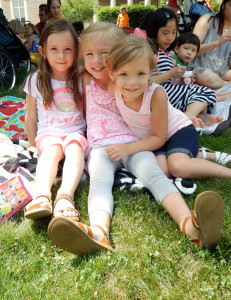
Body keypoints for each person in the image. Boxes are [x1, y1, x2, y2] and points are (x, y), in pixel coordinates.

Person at [48, 22, 224, 256]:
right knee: (99, 182)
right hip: (100, 146)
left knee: (156, 176)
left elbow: (148, 82)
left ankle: (190, 226)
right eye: (89, 54)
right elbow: (57, 76)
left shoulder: (124, 80)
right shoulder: (85, 79)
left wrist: (190, 114)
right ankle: (99, 232)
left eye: (105, 54)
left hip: (132, 142)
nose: (97, 61)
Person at [106, 34, 231, 184]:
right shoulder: (113, 87)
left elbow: (158, 137)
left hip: (178, 131)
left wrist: (128, 149)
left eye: (140, 74)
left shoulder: (155, 94)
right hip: (155, 140)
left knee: (178, 167)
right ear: (112, 74)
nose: (132, 83)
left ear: (150, 71)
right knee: (163, 172)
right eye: (124, 74)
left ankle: (227, 173)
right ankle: (201, 154)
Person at [23, 19, 87, 222]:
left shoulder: (81, 78)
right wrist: (32, 144)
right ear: (42, 51)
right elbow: (30, 114)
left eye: (68, 49)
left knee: (75, 147)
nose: (61, 55)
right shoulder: (36, 79)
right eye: (54, 49)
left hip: (76, 132)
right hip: (48, 136)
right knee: (53, 150)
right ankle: (42, 195)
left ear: (76, 51)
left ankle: (65, 196)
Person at [134, 8, 222, 128]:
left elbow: (168, 80)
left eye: (174, 32)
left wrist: (178, 80)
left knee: (198, 95)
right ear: (154, 32)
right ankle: (187, 116)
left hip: (168, 93)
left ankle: (202, 117)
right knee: (206, 92)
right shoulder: (151, 53)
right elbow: (146, 83)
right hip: (156, 95)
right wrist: (171, 74)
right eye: (165, 33)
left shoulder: (165, 53)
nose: (170, 37)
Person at [190, 0, 231, 90]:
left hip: (223, 72)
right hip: (199, 69)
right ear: (223, 4)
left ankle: (222, 86)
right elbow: (192, 48)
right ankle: (225, 86)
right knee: (204, 76)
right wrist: (217, 43)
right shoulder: (208, 20)